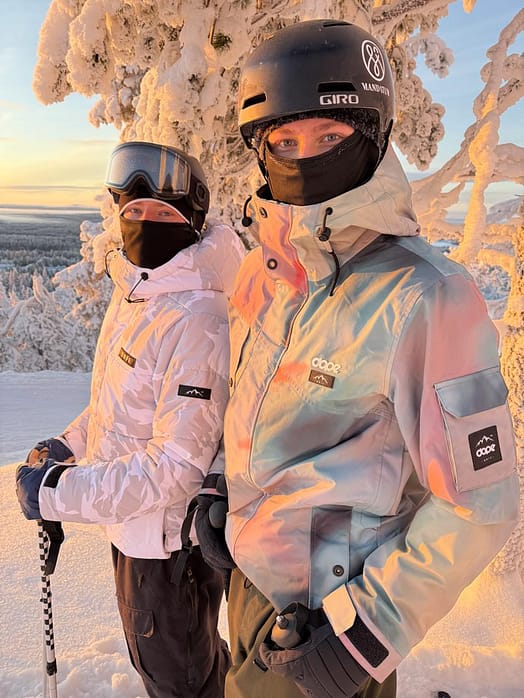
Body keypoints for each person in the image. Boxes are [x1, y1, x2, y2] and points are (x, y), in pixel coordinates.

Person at [195, 19, 519, 698]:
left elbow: (481, 500)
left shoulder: (426, 295)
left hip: (333, 625)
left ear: (372, 135)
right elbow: (258, 415)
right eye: (282, 140)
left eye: (330, 136)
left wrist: (368, 632)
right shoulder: (265, 275)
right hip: (252, 592)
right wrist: (228, 496)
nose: (302, 157)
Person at [16, 140, 245, 698]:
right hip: (135, 526)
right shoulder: (143, 292)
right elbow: (116, 406)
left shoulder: (198, 319)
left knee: (178, 680)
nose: (144, 224)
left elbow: (175, 469)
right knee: (186, 664)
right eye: (133, 213)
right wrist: (68, 445)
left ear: (192, 221)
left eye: (162, 213)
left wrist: (57, 495)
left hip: (169, 547)